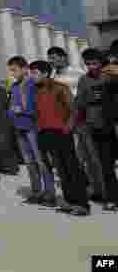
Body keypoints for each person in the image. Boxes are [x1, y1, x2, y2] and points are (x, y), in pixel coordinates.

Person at [29, 60, 90, 216]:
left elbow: (73, 110)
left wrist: (67, 128)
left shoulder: (60, 88)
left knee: (71, 168)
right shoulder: (35, 90)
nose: (32, 76)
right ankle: (69, 202)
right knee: (60, 169)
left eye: (35, 73)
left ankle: (82, 204)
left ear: (45, 73)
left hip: (62, 132)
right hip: (45, 132)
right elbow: (37, 112)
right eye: (31, 72)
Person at [48, 46, 100, 201]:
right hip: (63, 124)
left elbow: (85, 95)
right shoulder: (52, 77)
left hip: (81, 121)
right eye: (50, 58)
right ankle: (85, 187)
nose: (52, 61)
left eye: (54, 57)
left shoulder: (78, 73)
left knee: (90, 156)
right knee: (75, 158)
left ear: (64, 57)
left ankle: (98, 189)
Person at [6, 56, 56, 207]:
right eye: (11, 71)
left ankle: (50, 194)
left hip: (33, 128)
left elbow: (38, 106)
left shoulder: (32, 84)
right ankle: (36, 192)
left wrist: (23, 110)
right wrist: (11, 112)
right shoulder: (14, 86)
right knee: (29, 162)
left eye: (14, 70)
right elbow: (10, 106)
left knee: (41, 161)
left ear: (24, 69)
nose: (12, 74)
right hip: (19, 127)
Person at [73, 49, 118, 212]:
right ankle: (112, 197)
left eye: (95, 63)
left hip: (113, 124)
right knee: (105, 165)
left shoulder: (111, 76)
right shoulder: (84, 80)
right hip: (97, 127)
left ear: (101, 62)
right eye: (88, 63)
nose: (91, 67)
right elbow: (79, 103)